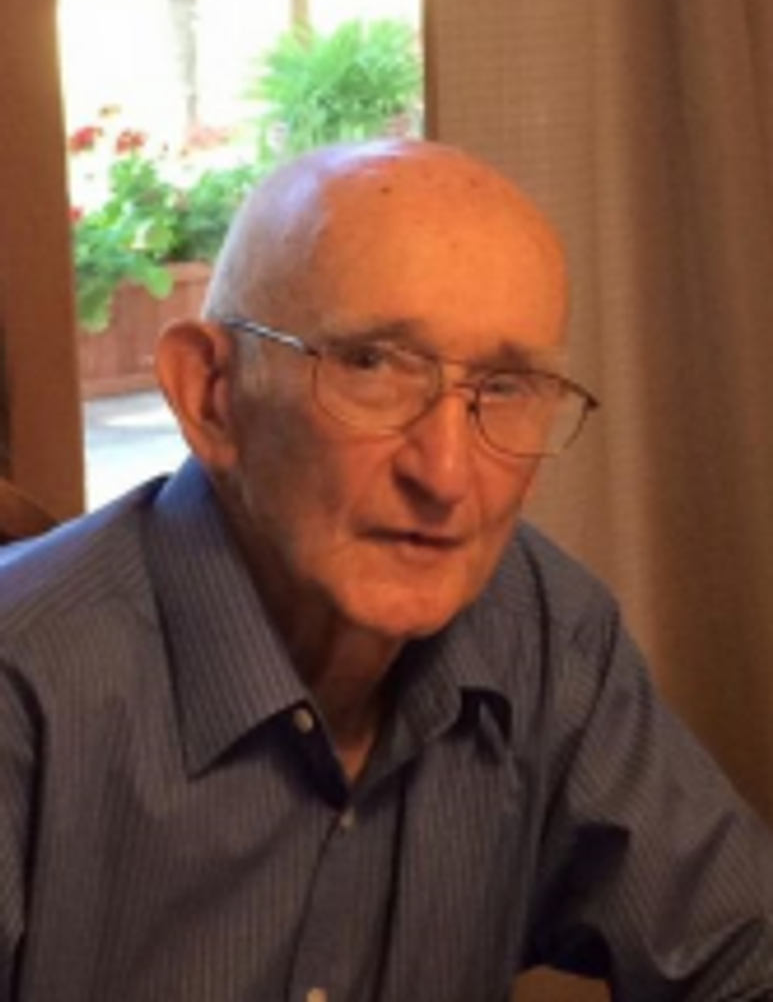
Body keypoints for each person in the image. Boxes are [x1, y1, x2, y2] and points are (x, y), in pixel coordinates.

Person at [0, 139, 771, 1002]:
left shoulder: (546, 633)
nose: (445, 476)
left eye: (506, 386)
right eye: (371, 365)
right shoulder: (25, 687)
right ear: (211, 393)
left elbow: (741, 958)